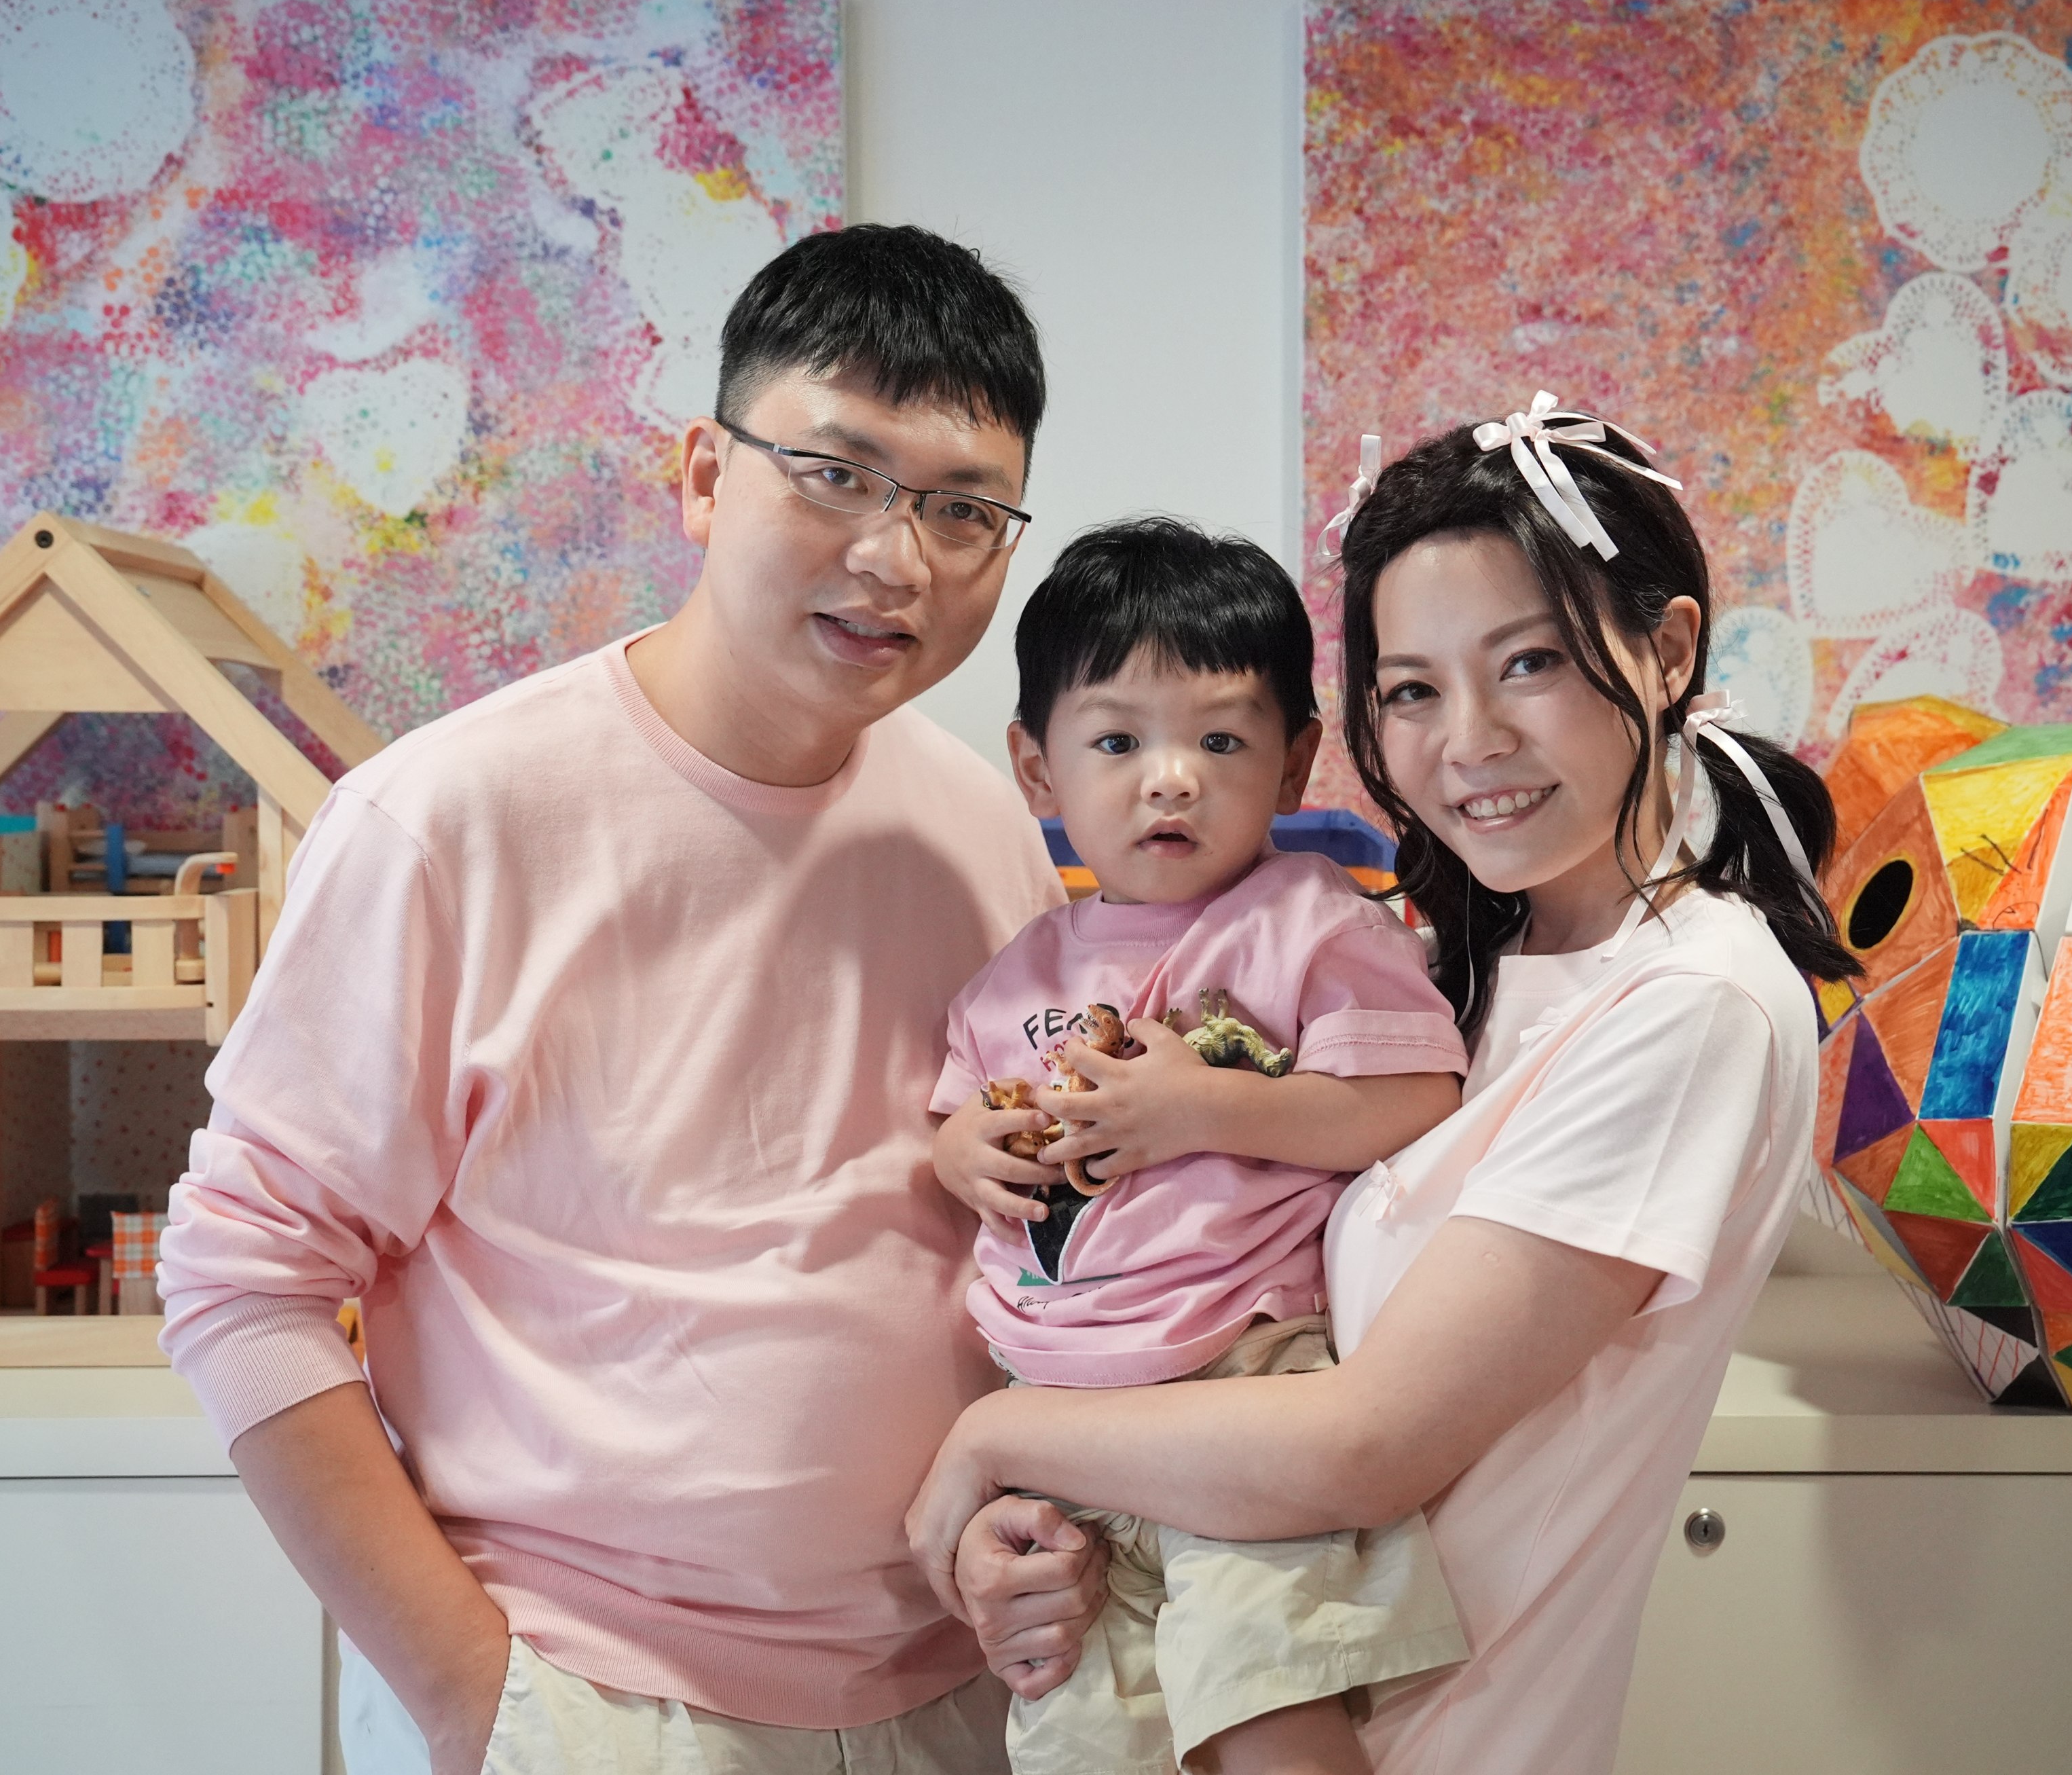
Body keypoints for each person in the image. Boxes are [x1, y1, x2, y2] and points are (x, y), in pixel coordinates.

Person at [158, 225, 1073, 1775]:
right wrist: (471, 1692)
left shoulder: (981, 824)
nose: (896, 557)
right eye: (835, 474)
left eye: (963, 509)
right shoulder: (445, 820)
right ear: (706, 476)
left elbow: (1029, 1228)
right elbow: (243, 1280)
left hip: (952, 1683)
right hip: (583, 1693)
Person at [908, 394, 1863, 1774]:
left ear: (1665, 653)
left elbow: (1366, 1445)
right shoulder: (1470, 961)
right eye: (1412, 689)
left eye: (1528, 662)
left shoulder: (1690, 1004)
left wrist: (996, 1437)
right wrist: (1050, 1523)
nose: (1467, 738)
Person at [930, 519, 1471, 1775]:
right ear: (1038, 768)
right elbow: (953, 1122)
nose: (1170, 778)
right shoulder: (1017, 971)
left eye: (1221, 741)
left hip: (1242, 1386)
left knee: (1269, 1698)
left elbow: (1412, 1099)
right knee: (1084, 1732)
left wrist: (1200, 1109)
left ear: (1293, 764)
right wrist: (963, 1150)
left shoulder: (1309, 924)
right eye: (1118, 741)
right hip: (1053, 1421)